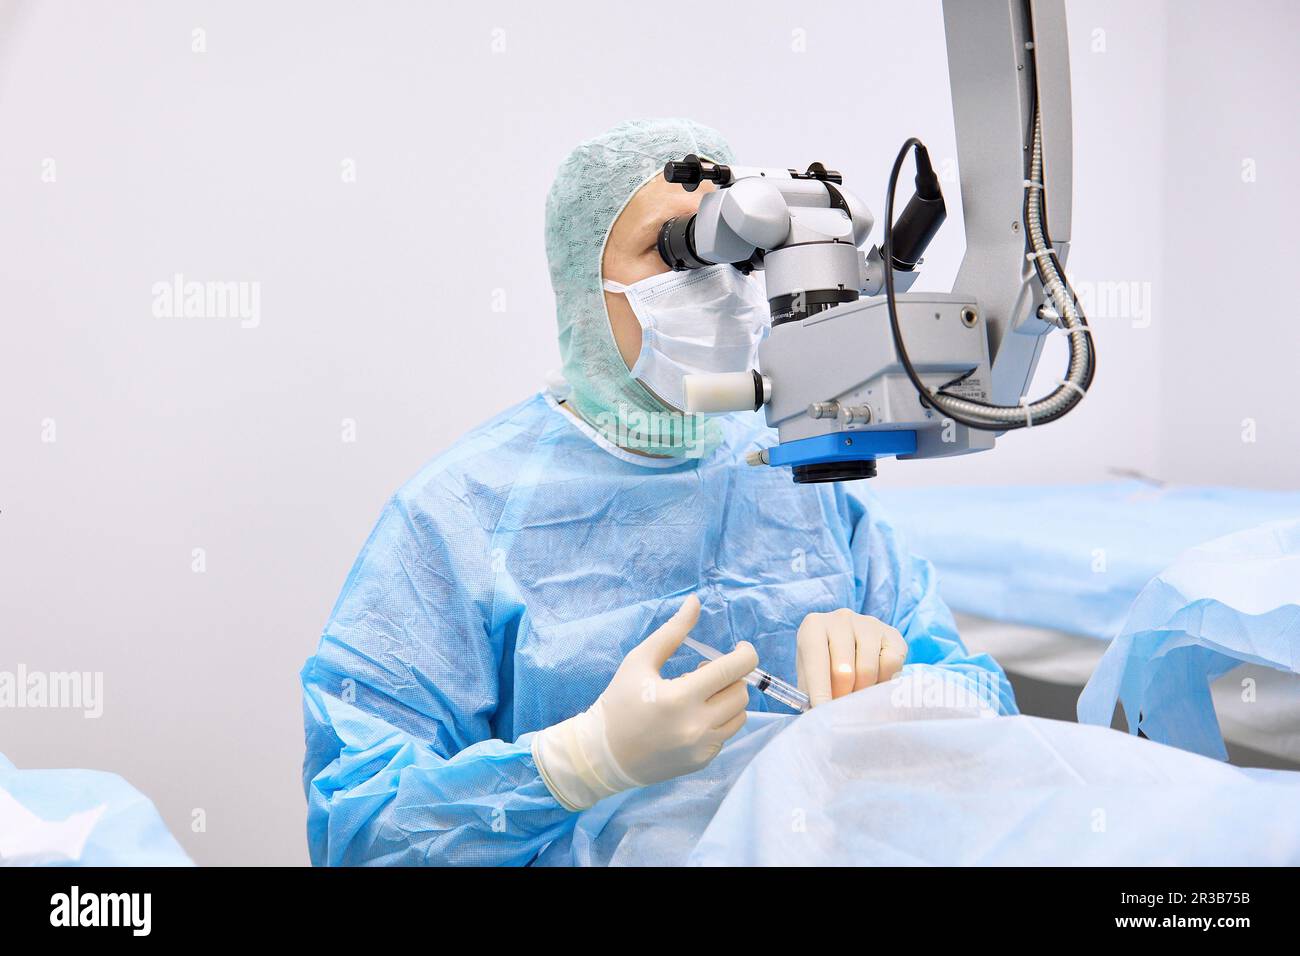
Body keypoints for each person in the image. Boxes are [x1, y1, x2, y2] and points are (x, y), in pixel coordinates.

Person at [300, 118, 1015, 866]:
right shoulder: (462, 515)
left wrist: (898, 696)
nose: (714, 284)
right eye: (678, 250)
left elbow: (984, 715)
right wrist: (579, 765)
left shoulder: (800, 469)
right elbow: (362, 832)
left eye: (735, 257)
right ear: (586, 282)